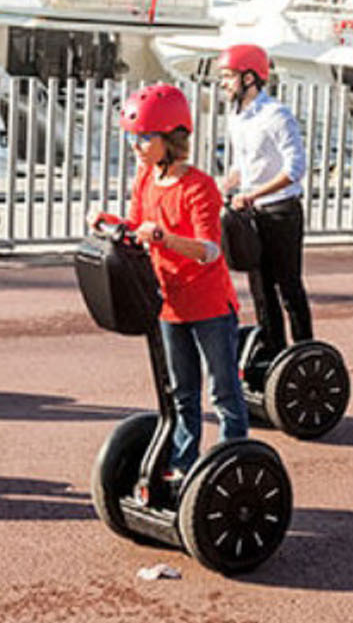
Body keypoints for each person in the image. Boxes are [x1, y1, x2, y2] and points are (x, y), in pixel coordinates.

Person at [90, 83, 244, 483]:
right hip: (168, 304)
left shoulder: (199, 186)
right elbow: (141, 229)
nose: (136, 147)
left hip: (210, 306)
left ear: (171, 138)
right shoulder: (144, 180)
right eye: (133, 138)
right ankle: (182, 463)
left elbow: (209, 250)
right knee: (182, 392)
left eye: (144, 138)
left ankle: (233, 462)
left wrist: (165, 238)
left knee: (224, 393)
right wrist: (109, 221)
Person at [217, 44, 313, 348]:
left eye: (229, 77)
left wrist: (253, 194)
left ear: (249, 78)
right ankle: (274, 350)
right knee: (260, 288)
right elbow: (242, 166)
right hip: (252, 214)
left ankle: (304, 349)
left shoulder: (276, 115)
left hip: (281, 211)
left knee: (288, 287)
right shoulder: (238, 118)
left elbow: (295, 167)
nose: (223, 84)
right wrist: (224, 186)